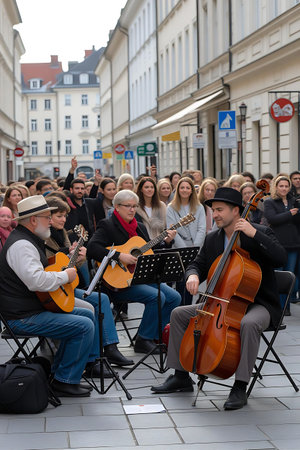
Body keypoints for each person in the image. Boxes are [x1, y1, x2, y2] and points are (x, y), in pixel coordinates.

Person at [151, 187, 286, 410]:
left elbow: (280, 257)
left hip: (258, 304)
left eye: (220, 210)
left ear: (236, 211)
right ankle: (180, 376)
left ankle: (240, 386)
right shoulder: (214, 239)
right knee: (178, 314)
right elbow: (198, 264)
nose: (215, 215)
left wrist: (254, 234)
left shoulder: (258, 232)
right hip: (221, 302)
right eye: (213, 211)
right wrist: (192, 275)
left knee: (249, 323)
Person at [0, 195, 104, 397]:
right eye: (47, 217)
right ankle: (64, 381)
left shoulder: (28, 239)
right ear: (33, 220)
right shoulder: (22, 245)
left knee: (88, 315)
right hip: (21, 317)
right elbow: (36, 281)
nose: (50, 221)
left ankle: (60, 374)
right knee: (84, 325)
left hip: (32, 309)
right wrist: (65, 275)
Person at [87, 190, 181, 354]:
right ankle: (143, 340)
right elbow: (92, 248)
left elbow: (148, 251)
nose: (132, 210)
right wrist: (119, 256)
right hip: (119, 282)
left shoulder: (140, 227)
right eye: (128, 206)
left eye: (134, 206)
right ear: (117, 207)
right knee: (158, 296)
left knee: (174, 297)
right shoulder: (107, 225)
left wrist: (166, 241)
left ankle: (155, 336)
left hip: (140, 277)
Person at [44, 196, 133, 368]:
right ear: (48, 217)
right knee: (90, 309)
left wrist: (78, 257)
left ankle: (111, 347)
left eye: (65, 216)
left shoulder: (63, 233)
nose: (64, 220)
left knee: (102, 299)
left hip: (63, 286)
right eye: (59, 216)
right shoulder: (44, 237)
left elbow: (71, 265)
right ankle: (92, 360)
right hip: (51, 290)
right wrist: (68, 255)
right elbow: (48, 265)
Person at [263, 175, 300, 314]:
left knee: (290, 277)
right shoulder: (270, 202)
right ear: (276, 187)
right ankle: (277, 306)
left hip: (294, 244)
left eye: (286, 186)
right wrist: (290, 214)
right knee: (278, 276)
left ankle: (286, 307)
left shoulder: (293, 200)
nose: (284, 189)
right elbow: (272, 218)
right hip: (277, 244)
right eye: (281, 186)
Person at [167, 177, 206, 305]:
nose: (184, 190)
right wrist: (185, 250)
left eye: (187, 188)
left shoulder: (199, 207)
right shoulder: (171, 208)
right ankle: (179, 311)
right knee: (180, 283)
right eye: (182, 187)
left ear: (191, 191)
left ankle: (188, 309)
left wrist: (195, 248)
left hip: (195, 247)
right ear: (177, 189)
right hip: (179, 249)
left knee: (191, 281)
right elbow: (172, 230)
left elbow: (202, 228)